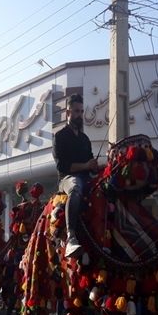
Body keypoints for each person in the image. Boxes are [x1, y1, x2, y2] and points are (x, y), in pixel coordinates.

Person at [52, 93, 98, 258]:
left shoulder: (85, 139)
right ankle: (71, 236)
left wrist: (95, 166)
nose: (79, 115)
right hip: (67, 179)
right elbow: (62, 166)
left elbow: (91, 166)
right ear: (68, 112)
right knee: (76, 187)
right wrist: (85, 165)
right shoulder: (60, 136)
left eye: (81, 111)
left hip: (87, 178)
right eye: (76, 111)